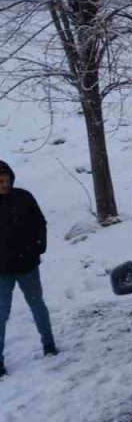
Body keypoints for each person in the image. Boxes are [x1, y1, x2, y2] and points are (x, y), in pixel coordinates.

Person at [0, 160, 56, 378]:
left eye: (6, 180)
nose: (4, 185)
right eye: (0, 181)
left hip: (27, 266)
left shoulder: (23, 197)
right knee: (1, 314)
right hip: (2, 271)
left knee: (37, 306)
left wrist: (38, 247)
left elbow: (40, 223)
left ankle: (49, 344)